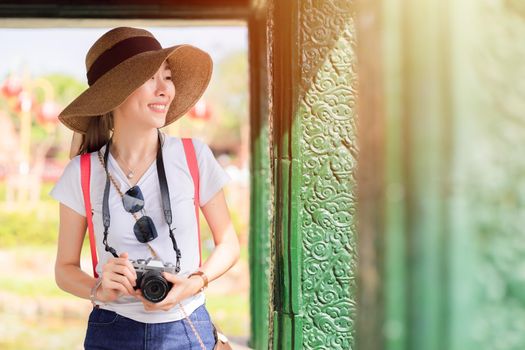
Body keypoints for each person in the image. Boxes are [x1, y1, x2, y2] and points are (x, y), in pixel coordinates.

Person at [50, 26, 240, 349]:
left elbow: (229, 245)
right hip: (111, 330)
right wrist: (100, 288)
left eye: (167, 77)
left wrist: (194, 283)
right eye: (151, 78)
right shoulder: (81, 173)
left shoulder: (194, 157)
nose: (165, 89)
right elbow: (64, 269)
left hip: (186, 324)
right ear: (115, 93)